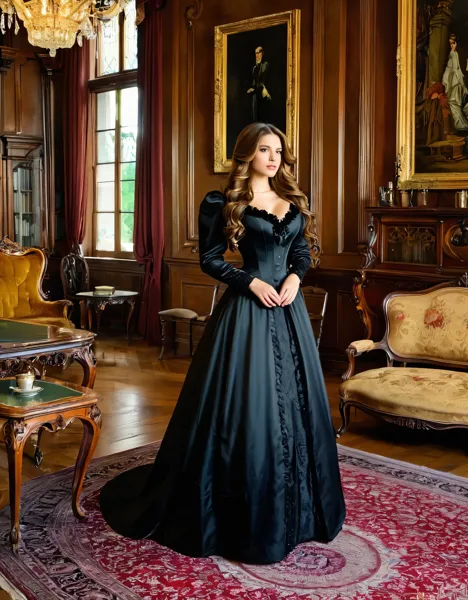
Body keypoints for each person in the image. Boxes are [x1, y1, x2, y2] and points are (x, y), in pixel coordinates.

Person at [99, 122, 346, 565]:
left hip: (287, 311)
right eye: (266, 150)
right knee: (245, 408)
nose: (274, 158)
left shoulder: (290, 200)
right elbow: (210, 259)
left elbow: (303, 253)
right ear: (248, 154)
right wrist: (250, 282)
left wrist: (294, 277)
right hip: (246, 313)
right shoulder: (222, 202)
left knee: (297, 405)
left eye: (279, 151)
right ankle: (238, 512)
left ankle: (301, 512)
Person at [442, 34, 468, 130]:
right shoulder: (452, 54)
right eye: (450, 44)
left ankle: (462, 124)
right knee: (454, 103)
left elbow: (460, 70)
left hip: (457, 83)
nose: (452, 45)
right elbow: (449, 70)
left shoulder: (457, 54)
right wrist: (446, 85)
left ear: (456, 43)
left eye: (453, 43)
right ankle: (461, 125)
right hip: (453, 83)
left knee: (456, 103)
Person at [247, 46, 272, 122]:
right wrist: (252, 88)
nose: (256, 55)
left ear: (262, 53)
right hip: (256, 94)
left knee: (263, 116)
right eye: (255, 53)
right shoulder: (254, 68)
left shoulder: (265, 64)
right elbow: (254, 82)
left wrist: (256, 88)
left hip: (263, 93)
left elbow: (263, 80)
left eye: (258, 53)